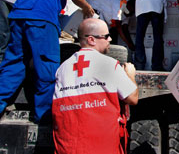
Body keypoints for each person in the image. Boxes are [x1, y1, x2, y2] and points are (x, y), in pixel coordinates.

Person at [0, 0, 95, 123]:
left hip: (19, 17)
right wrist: (87, 8)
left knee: (13, 63)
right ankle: (42, 116)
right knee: (47, 65)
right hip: (41, 20)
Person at [52, 18, 138, 154]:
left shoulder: (63, 68)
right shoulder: (108, 64)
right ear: (91, 40)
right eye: (106, 36)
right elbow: (132, 98)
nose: (110, 39)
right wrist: (130, 75)